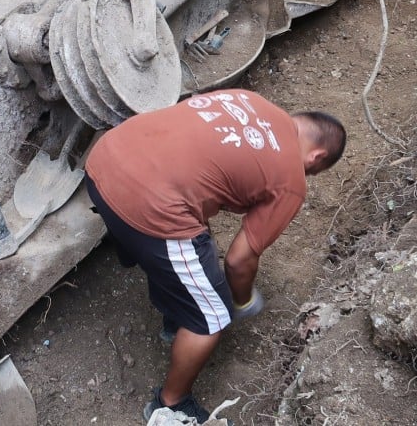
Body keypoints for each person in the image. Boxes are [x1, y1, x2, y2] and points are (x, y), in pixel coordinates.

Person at [83, 89, 346, 424]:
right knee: (211, 316)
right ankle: (171, 403)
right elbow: (238, 260)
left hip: (104, 159)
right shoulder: (291, 180)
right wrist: (240, 300)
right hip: (147, 204)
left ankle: (174, 316)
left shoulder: (249, 100)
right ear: (316, 157)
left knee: (187, 247)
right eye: (313, 171)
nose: (307, 175)